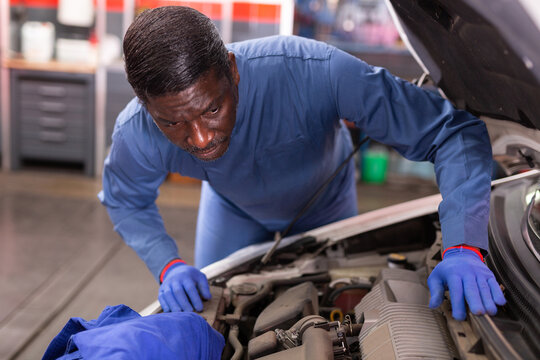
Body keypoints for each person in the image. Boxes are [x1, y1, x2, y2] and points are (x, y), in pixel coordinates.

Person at [99, 6, 506, 321]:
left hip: (325, 205)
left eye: (211, 109)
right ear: (146, 106)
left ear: (233, 71)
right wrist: (166, 263)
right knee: (211, 316)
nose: (200, 138)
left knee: (337, 312)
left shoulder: (315, 72)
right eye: (172, 122)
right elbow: (125, 200)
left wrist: (464, 243)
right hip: (231, 211)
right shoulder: (137, 132)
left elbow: (450, 132)